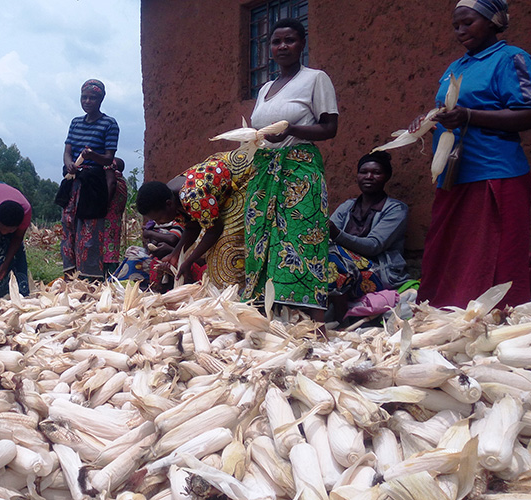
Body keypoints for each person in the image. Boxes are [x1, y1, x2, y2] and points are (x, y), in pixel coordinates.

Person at [416, 0, 531, 309]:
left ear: (493, 21)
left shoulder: (510, 59)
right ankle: (444, 318)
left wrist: (469, 115)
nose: (460, 31)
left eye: (468, 23)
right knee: (449, 252)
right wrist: (429, 122)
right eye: (456, 26)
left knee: (497, 254)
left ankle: (496, 319)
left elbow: (529, 114)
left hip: (495, 172)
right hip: (455, 174)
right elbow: (451, 112)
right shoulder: (456, 67)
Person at [241, 18, 339, 319]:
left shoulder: (315, 79)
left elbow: (330, 128)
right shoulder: (266, 88)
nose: (282, 46)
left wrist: (291, 130)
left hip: (299, 171)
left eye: (290, 40)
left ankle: (307, 318)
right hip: (264, 171)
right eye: (276, 41)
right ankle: (266, 313)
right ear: (268, 48)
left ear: (302, 44)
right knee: (261, 236)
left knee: (299, 236)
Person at [136, 147, 253, 290]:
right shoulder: (171, 197)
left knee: (225, 249)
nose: (159, 223)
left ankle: (238, 292)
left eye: (159, 218)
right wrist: (175, 254)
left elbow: (214, 230)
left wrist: (188, 261)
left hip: (242, 178)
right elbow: (192, 226)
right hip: (220, 184)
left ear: (168, 204)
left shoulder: (193, 196)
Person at [328, 151, 410, 319]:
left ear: (387, 177)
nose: (369, 176)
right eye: (363, 172)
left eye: (376, 173)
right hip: (345, 265)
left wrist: (336, 233)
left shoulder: (396, 210)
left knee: (335, 259)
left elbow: (373, 246)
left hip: (378, 271)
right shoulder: (348, 206)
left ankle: (341, 319)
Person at [61, 79, 119, 281]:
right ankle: (70, 275)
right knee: (68, 227)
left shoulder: (109, 124)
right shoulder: (75, 122)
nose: (87, 101)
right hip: (73, 180)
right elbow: (67, 150)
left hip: (93, 184)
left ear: (101, 99)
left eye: (92, 98)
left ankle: (89, 278)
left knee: (90, 231)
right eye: (84, 97)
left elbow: (108, 158)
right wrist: (69, 163)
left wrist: (91, 155)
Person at [114, 218, 183, 292]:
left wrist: (150, 233)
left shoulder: (177, 223)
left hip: (173, 256)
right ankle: (127, 286)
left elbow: (172, 239)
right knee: (132, 255)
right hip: (156, 255)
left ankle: (145, 287)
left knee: (137, 262)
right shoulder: (153, 224)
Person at [103, 157, 128, 277]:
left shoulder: (113, 183)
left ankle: (107, 277)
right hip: (115, 222)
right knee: (112, 249)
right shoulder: (122, 183)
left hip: (108, 221)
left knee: (107, 250)